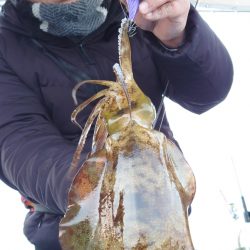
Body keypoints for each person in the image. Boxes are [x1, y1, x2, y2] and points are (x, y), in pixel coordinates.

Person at [0, 0, 233, 249]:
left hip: (163, 214)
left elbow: (207, 92)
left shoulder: (136, 12)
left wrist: (177, 37)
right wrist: (102, 186)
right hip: (68, 226)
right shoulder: (6, 44)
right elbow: (18, 144)